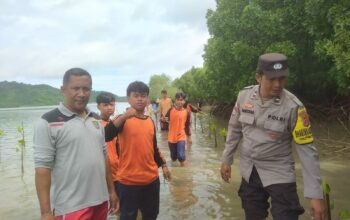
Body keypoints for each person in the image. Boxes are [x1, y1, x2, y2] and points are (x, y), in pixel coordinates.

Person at [220, 53, 326, 220]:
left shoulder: (294, 107)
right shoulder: (244, 97)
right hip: (250, 170)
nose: (278, 84)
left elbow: (307, 151)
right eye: (272, 79)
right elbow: (234, 129)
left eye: (282, 78)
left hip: (279, 172)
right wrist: (226, 160)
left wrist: (315, 194)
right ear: (259, 77)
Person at [34, 68, 118, 220]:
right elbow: (42, 169)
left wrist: (111, 191)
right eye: (75, 88)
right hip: (70, 207)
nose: (81, 94)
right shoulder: (48, 122)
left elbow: (104, 157)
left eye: (86, 89)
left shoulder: (96, 119)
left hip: (100, 201)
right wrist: (45, 212)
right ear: (63, 90)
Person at [104, 81, 171, 220]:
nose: (140, 99)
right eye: (136, 95)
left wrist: (164, 165)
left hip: (151, 180)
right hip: (128, 182)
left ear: (147, 98)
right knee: (128, 216)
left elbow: (153, 149)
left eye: (143, 95)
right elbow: (106, 134)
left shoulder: (150, 121)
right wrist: (125, 116)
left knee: (151, 215)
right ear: (128, 98)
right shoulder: (121, 120)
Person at [96, 92, 119, 195]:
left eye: (112, 104)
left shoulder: (114, 124)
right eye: (105, 105)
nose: (109, 107)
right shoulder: (96, 125)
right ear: (98, 106)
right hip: (105, 173)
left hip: (118, 171)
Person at [165, 92, 192, 166]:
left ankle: (183, 173)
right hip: (171, 137)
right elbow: (165, 118)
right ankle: (175, 172)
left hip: (181, 136)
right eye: (178, 99)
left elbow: (187, 126)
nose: (180, 101)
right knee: (173, 158)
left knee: (181, 156)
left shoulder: (187, 112)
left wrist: (189, 137)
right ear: (175, 100)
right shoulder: (171, 110)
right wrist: (163, 119)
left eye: (182, 100)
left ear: (184, 101)